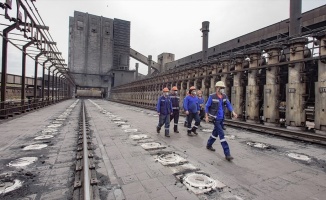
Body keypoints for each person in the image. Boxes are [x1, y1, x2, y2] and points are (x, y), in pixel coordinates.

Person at [205, 81, 238, 161]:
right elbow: (207, 106)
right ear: (217, 88)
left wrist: (233, 112)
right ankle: (227, 154)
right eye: (221, 88)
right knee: (221, 135)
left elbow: (228, 104)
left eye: (223, 88)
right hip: (215, 118)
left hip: (221, 118)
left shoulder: (224, 96)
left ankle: (209, 145)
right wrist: (206, 116)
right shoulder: (212, 96)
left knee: (215, 133)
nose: (222, 89)